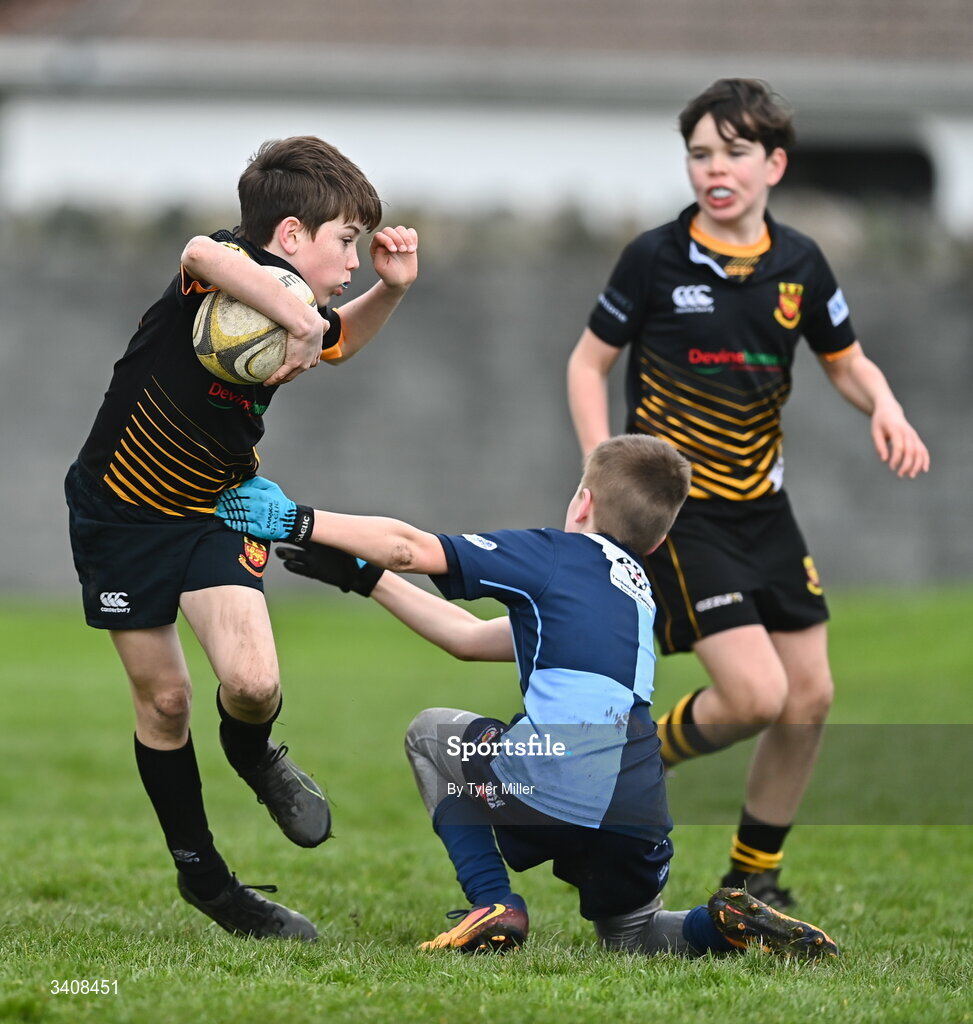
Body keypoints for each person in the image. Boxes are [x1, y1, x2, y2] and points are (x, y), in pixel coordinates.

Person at [213, 435, 840, 960]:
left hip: (555, 781)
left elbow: (413, 547)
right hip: (640, 809)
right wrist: (367, 579)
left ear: (582, 501)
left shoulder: (554, 555)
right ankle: (725, 924)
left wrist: (300, 519)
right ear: (654, 543)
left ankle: (494, 903)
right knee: (634, 936)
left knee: (432, 733)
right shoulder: (639, 591)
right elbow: (467, 638)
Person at [566, 78, 929, 907]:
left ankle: (754, 877)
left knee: (808, 696)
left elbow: (845, 360)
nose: (713, 169)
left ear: (773, 164)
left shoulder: (799, 262)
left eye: (733, 152)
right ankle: (609, 764)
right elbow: (587, 363)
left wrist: (887, 406)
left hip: (765, 511)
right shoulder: (654, 257)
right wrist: (601, 468)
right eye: (699, 154)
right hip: (677, 514)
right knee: (754, 695)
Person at [64, 135, 419, 940]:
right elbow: (198, 248)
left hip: (214, 506)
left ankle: (255, 754)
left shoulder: (299, 298)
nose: (356, 260)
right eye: (347, 242)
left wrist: (391, 293)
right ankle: (210, 881)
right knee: (165, 701)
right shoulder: (225, 262)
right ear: (289, 235)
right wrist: (298, 317)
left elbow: (338, 340)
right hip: (119, 509)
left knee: (253, 683)